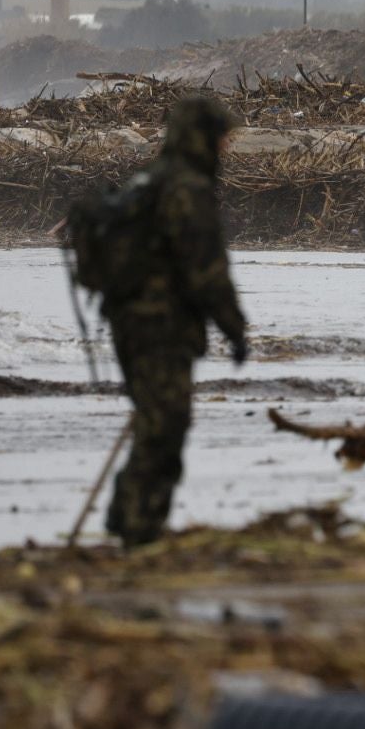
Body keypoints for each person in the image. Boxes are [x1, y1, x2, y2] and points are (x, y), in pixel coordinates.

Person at [103, 95, 247, 546]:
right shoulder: (187, 189)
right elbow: (206, 269)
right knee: (165, 430)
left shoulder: (147, 180)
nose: (225, 147)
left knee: (154, 422)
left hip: (128, 323)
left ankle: (125, 520)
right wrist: (234, 328)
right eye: (220, 138)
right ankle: (138, 528)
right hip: (161, 329)